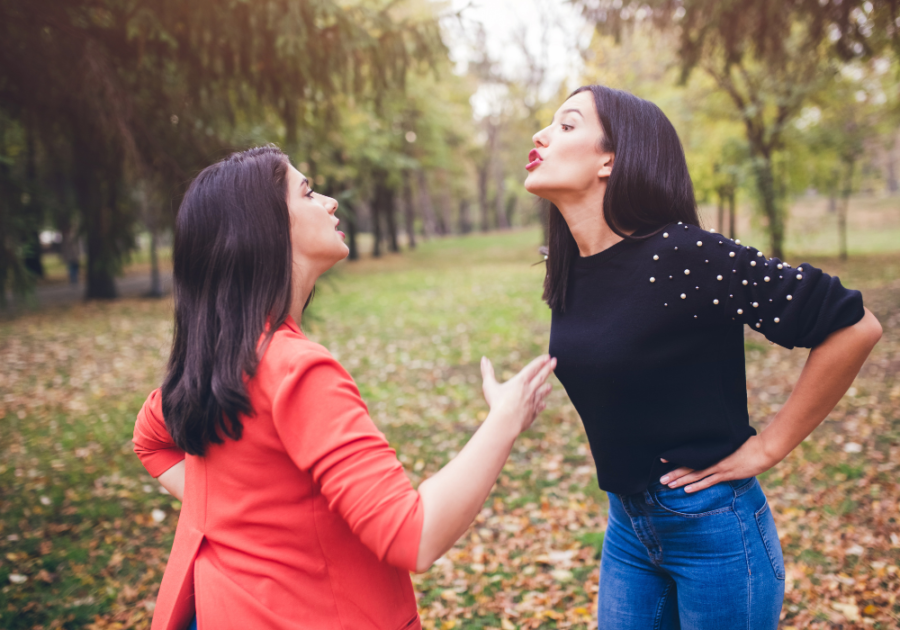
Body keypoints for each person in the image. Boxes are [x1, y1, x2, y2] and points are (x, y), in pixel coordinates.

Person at [133, 146, 556, 630]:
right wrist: (505, 419)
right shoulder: (298, 371)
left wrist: (245, 522)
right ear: (265, 229)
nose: (330, 202)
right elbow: (415, 536)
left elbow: (149, 440)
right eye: (308, 192)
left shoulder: (215, 359)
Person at [523, 86, 882, 629]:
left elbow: (854, 326)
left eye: (567, 125)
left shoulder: (684, 254)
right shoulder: (573, 266)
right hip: (628, 528)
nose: (541, 135)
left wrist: (770, 446)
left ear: (610, 160)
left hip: (714, 529)